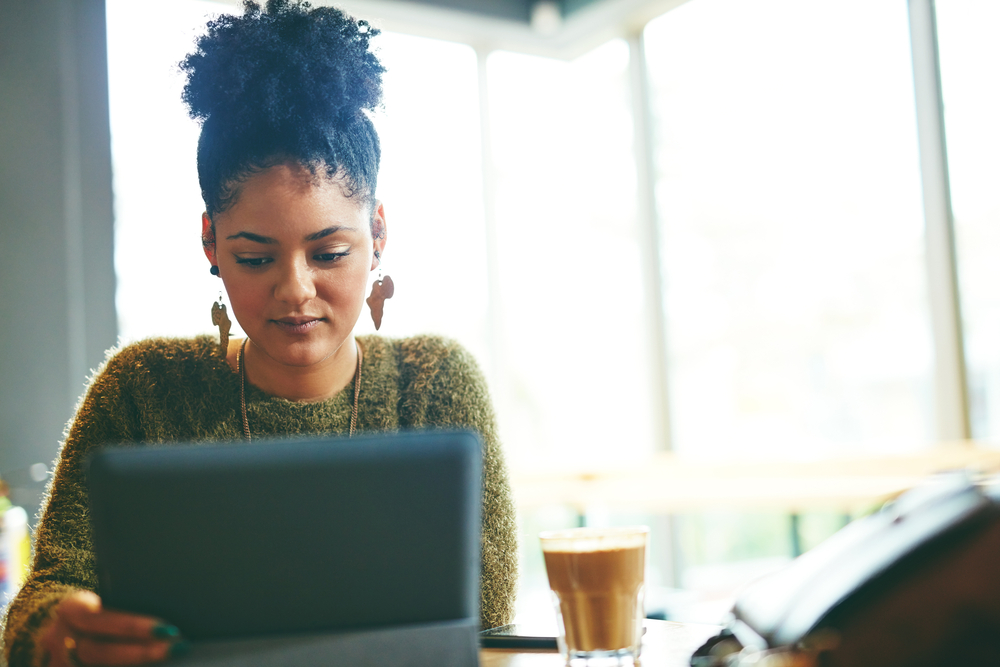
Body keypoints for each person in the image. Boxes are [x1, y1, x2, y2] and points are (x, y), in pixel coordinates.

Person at [0, 1, 518, 664]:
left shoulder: (435, 383)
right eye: (254, 256)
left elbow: (490, 617)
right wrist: (57, 630)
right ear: (211, 242)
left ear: (378, 234)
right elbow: (40, 603)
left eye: (328, 252)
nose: (295, 289)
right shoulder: (141, 390)